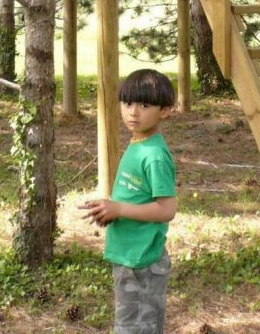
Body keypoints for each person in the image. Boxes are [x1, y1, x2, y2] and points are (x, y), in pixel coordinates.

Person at [79, 69, 177, 334]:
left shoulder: (154, 155)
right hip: (129, 256)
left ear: (165, 111)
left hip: (142, 262)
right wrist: (109, 209)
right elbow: (135, 195)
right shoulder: (139, 144)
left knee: (137, 328)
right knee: (129, 325)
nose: (133, 112)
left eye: (144, 105)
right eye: (128, 103)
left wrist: (120, 208)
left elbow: (167, 209)